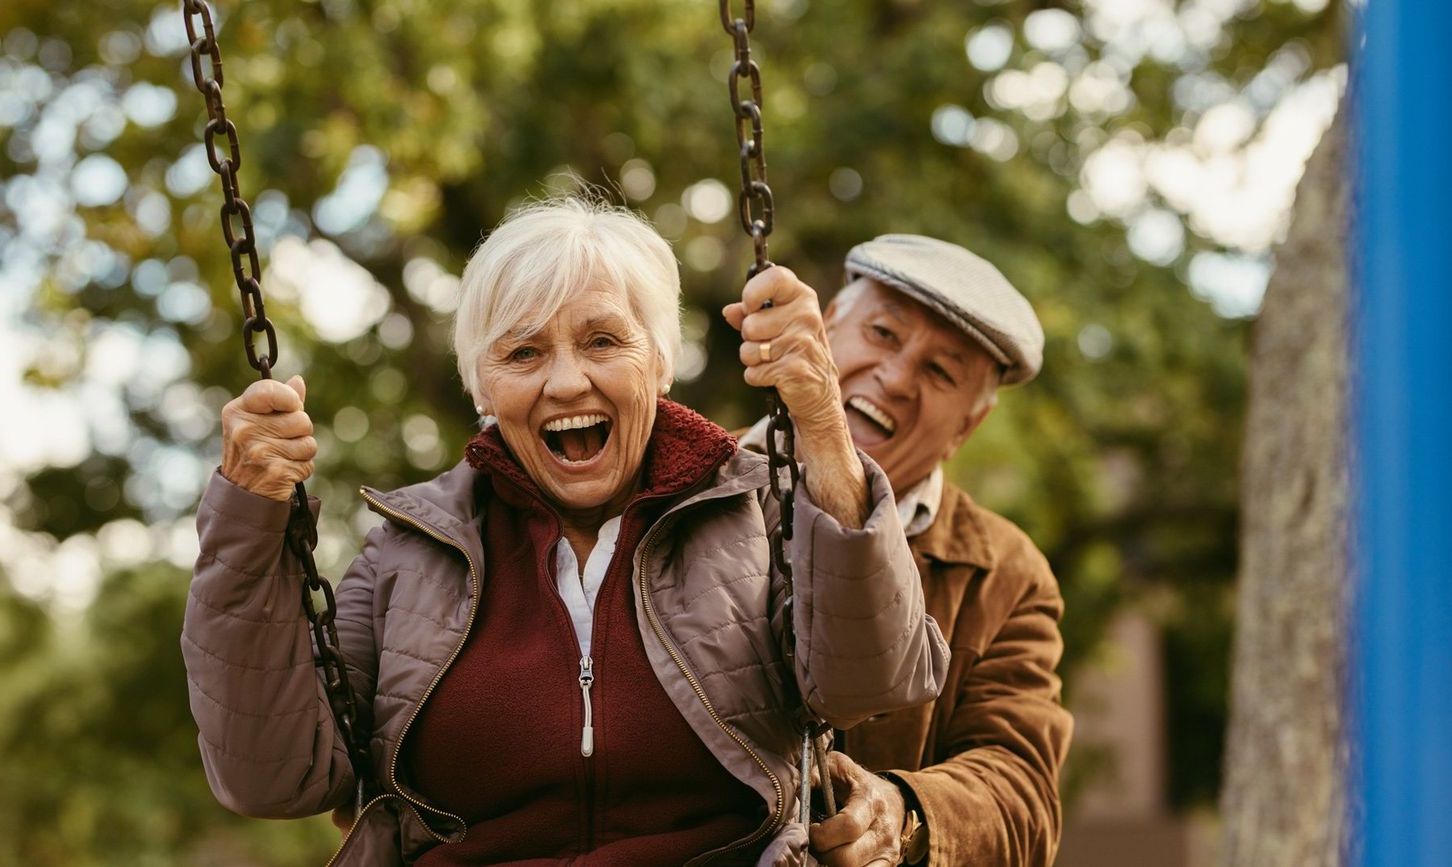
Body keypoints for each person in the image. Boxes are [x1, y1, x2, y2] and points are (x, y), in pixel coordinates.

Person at [181, 199, 948, 866]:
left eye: (604, 341)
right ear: (483, 384)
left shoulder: (754, 512)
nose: (567, 381)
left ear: (660, 362)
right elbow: (273, 776)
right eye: (523, 351)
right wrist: (249, 516)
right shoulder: (407, 552)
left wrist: (820, 423)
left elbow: (871, 684)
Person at [732, 235, 1072, 866]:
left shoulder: (1007, 574)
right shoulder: (681, 485)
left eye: (941, 371)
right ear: (826, 324)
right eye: (884, 334)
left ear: (969, 426)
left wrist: (904, 811)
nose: (895, 378)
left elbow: (1023, 794)